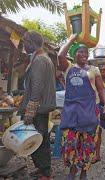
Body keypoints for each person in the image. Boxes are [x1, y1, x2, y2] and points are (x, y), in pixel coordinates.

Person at [57, 34, 105, 180]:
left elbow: (101, 89)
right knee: (70, 143)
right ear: (74, 54)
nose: (83, 54)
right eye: (80, 52)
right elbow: (60, 55)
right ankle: (73, 170)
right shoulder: (68, 67)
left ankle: (84, 172)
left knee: (88, 143)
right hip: (71, 113)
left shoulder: (93, 70)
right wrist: (71, 39)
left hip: (89, 113)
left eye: (86, 52)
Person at [18, 31, 56, 180]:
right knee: (41, 138)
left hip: (38, 108)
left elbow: (37, 87)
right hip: (41, 107)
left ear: (32, 43)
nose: (24, 45)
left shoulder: (40, 60)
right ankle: (43, 169)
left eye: (25, 42)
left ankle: (45, 173)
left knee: (37, 139)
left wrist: (30, 111)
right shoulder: (41, 58)